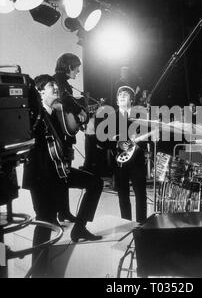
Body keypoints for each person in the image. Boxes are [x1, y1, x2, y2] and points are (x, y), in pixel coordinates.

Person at [22, 75, 103, 276]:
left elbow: (67, 137)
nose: (56, 89)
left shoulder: (56, 113)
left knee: (96, 183)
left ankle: (80, 228)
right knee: (45, 219)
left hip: (59, 171)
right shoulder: (32, 113)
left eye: (56, 86)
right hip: (40, 175)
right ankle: (39, 271)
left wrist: (79, 121)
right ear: (40, 91)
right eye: (51, 86)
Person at [103, 86, 147, 223]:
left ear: (132, 100)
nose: (122, 96)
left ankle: (141, 224)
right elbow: (104, 139)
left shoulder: (141, 116)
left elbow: (147, 137)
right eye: (120, 94)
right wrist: (116, 142)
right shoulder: (110, 117)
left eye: (126, 94)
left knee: (140, 194)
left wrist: (139, 143)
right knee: (123, 195)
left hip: (137, 160)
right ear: (116, 101)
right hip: (119, 161)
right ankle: (126, 223)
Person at [53, 53, 86, 223]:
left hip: (64, 138)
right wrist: (78, 110)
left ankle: (63, 211)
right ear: (68, 67)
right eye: (76, 67)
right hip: (59, 139)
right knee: (62, 174)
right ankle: (61, 211)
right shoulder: (58, 82)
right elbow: (64, 101)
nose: (79, 70)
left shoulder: (64, 83)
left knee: (64, 174)